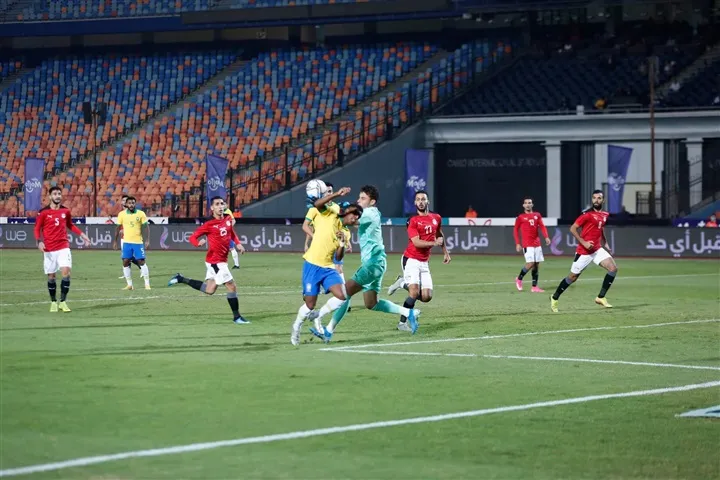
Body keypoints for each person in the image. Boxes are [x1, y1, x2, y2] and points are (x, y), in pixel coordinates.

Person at [315, 185, 422, 342]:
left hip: (373, 263)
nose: (359, 200)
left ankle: (328, 330)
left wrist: (333, 210)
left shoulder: (370, 212)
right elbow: (353, 221)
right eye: (359, 198)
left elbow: (351, 220)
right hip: (377, 263)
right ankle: (408, 313)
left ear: (372, 202)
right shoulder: (369, 213)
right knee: (372, 303)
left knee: (344, 293)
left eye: (363, 198)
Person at [292, 187, 362, 345]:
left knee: (343, 296)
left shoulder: (346, 232)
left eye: (358, 217)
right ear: (348, 212)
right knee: (309, 304)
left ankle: (319, 314)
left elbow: (338, 257)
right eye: (355, 215)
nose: (355, 219)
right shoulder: (330, 213)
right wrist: (336, 194)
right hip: (312, 264)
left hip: (328, 267)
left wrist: (342, 244)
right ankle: (297, 326)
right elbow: (317, 204)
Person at [168, 197, 250, 324]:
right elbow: (193, 237)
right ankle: (237, 317)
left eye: (222, 203)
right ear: (212, 208)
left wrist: (238, 244)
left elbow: (231, 233)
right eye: (217, 204)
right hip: (216, 261)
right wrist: (197, 243)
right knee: (231, 286)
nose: (220, 206)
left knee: (209, 290)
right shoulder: (209, 224)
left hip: (219, 260)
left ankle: (181, 278)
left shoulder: (228, 218)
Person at [386, 190, 450, 331]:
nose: (421, 202)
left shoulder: (436, 217)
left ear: (428, 201)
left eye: (423, 199)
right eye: (418, 199)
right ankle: (402, 323)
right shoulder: (413, 220)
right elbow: (416, 242)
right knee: (414, 293)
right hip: (411, 259)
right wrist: (434, 243)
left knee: (426, 297)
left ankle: (402, 282)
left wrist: (445, 252)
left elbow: (439, 233)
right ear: (415, 203)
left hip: (424, 261)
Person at [550, 190, 618, 312]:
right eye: (594, 198)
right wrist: (584, 242)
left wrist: (605, 241)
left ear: (603, 200)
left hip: (597, 249)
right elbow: (573, 228)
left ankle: (600, 297)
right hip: (584, 251)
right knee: (572, 277)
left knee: (613, 268)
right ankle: (554, 297)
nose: (596, 200)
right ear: (592, 200)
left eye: (599, 198)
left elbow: (600, 228)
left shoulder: (605, 214)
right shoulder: (587, 214)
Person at [34, 186, 91, 312]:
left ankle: (63, 302)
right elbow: (37, 228)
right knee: (51, 276)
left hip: (63, 247)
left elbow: (70, 225)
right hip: (49, 249)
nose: (57, 196)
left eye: (59, 193)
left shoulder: (66, 211)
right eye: (55, 194)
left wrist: (83, 235)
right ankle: (53, 302)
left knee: (66, 272)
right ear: (50, 196)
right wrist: (39, 241)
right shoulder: (43, 212)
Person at [513, 197, 551, 292]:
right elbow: (515, 230)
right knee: (530, 263)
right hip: (527, 244)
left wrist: (546, 237)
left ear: (532, 205)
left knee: (536, 265)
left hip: (537, 243)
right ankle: (519, 278)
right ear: (523, 205)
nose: (528, 204)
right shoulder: (520, 217)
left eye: (529, 203)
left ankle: (534, 287)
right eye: (526, 203)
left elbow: (542, 226)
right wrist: (517, 243)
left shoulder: (537, 215)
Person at [113, 196, 151, 290]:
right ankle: (129, 285)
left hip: (138, 242)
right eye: (129, 203)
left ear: (135, 204)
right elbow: (117, 228)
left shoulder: (141, 214)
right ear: (126, 204)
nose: (131, 205)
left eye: (133, 203)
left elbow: (146, 227)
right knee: (125, 261)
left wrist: (147, 240)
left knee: (141, 261)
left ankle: (147, 284)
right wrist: (115, 241)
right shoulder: (121, 214)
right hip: (126, 242)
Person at [117, 194, 142, 280]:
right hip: (123, 237)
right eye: (123, 200)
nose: (124, 202)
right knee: (125, 257)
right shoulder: (122, 213)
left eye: (126, 201)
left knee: (129, 256)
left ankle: (141, 266)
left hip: (131, 237)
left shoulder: (132, 212)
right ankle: (127, 273)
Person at [224, 204, 241, 269]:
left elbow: (233, 221)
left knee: (231, 248)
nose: (223, 205)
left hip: (227, 233)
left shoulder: (227, 211)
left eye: (224, 204)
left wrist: (228, 228)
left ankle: (236, 265)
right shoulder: (219, 211)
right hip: (221, 233)